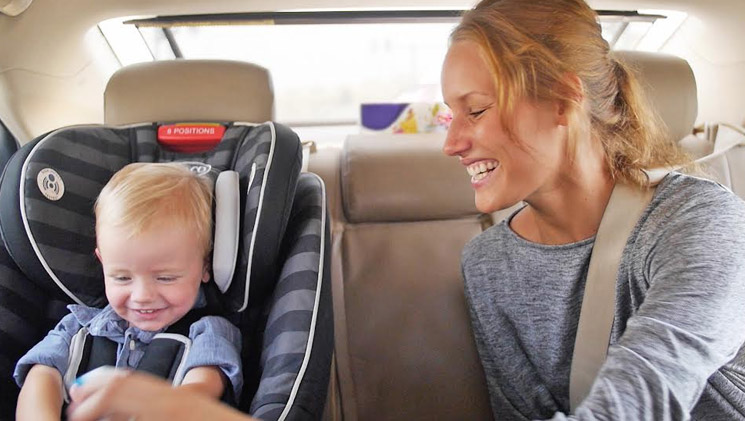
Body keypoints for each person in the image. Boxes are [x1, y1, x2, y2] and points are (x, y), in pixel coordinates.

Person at [441, 0, 745, 420]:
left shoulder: (701, 222)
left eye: (475, 110)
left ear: (563, 100)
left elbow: (649, 389)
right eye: (450, 116)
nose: (451, 144)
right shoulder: (486, 263)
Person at [14, 162, 243, 420]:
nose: (142, 296)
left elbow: (202, 392)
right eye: (122, 277)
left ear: (204, 266)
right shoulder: (76, 328)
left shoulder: (207, 333)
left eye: (165, 278)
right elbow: (40, 377)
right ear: (102, 263)